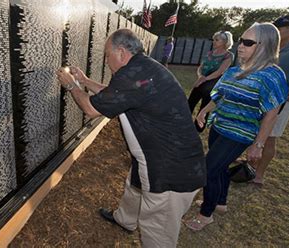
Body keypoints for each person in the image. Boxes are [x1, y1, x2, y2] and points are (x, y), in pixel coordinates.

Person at [56, 29, 206, 247]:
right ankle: (125, 220)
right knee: (134, 186)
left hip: (170, 173)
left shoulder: (133, 75)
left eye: (107, 55)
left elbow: (90, 108)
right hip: (165, 157)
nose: (106, 61)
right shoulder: (142, 68)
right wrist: (85, 81)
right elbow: (116, 96)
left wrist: (71, 85)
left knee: (157, 230)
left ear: (121, 52)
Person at [183, 23, 288, 231]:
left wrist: (258, 144)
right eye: (241, 41)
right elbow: (220, 95)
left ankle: (206, 214)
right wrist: (204, 111)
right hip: (219, 126)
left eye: (247, 43)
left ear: (265, 45)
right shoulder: (234, 71)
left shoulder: (272, 75)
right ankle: (220, 202)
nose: (240, 46)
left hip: (240, 133)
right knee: (219, 167)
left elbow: (271, 114)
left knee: (209, 169)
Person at [251, 15, 289, 185]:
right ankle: (251, 162)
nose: (278, 31)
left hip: (282, 99)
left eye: (281, 28)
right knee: (257, 131)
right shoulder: (276, 46)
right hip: (263, 95)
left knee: (269, 136)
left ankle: (259, 175)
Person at [187, 31, 234, 132]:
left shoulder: (228, 56)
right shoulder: (209, 53)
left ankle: (198, 128)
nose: (214, 42)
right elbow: (201, 67)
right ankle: (184, 123)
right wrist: (200, 76)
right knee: (190, 103)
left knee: (204, 106)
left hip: (212, 84)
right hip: (201, 80)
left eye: (217, 40)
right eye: (214, 39)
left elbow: (220, 71)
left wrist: (204, 79)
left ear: (225, 42)